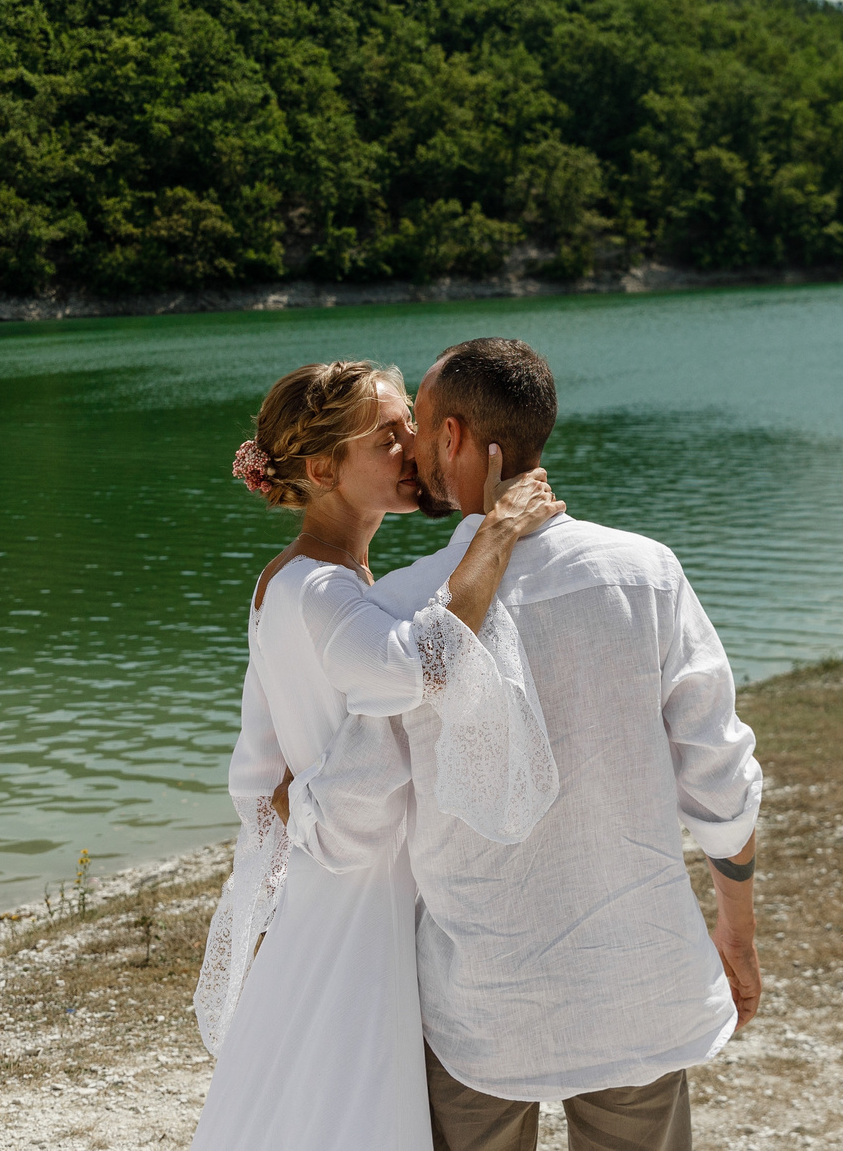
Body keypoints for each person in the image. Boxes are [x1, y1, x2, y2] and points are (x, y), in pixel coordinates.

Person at [291, 338, 764, 1151]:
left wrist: (283, 801)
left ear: (454, 439)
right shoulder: (647, 572)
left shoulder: (407, 612)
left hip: (486, 1004)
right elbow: (720, 780)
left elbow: (353, 822)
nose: (409, 455)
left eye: (421, 430)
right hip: (635, 983)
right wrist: (738, 933)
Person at [189, 359, 564, 1151]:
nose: (414, 447)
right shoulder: (322, 590)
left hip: (338, 885)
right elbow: (421, 667)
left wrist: (298, 810)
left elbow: (259, 769)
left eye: (414, 429)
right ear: (323, 468)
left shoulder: (302, 581)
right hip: (358, 898)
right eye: (389, 435)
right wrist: (493, 528)